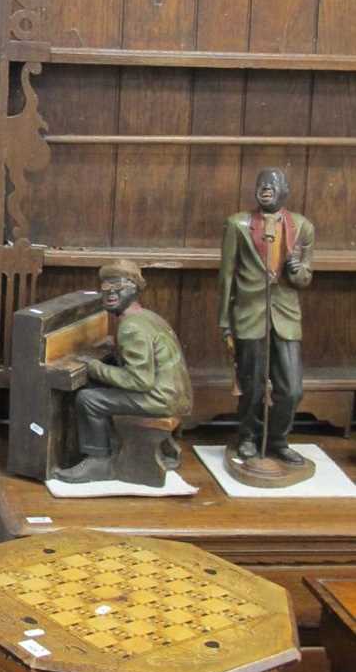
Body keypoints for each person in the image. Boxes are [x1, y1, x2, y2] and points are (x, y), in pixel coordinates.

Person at [57, 260, 193, 483]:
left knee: (88, 399)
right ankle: (122, 448)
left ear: (135, 289)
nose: (111, 293)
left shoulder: (131, 326)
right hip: (177, 395)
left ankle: (98, 462)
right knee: (100, 389)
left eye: (119, 287)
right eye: (106, 288)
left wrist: (95, 367)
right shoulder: (148, 316)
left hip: (162, 399)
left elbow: (139, 381)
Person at [218, 167, 314, 465]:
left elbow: (305, 278)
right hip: (249, 314)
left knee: (291, 389)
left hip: (285, 315)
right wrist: (224, 319)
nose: (267, 189)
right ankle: (248, 437)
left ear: (285, 190)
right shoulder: (237, 224)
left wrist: (297, 271)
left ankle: (277, 440)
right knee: (252, 385)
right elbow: (227, 275)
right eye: (262, 184)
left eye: (274, 185)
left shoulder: (302, 227)